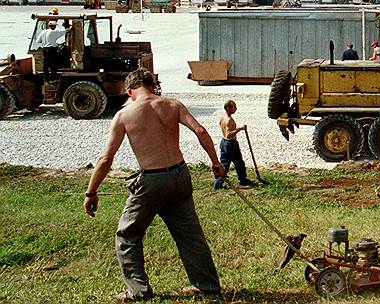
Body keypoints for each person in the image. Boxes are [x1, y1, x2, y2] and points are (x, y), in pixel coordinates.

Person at [83, 69, 224, 301]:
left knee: (128, 234)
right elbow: (200, 130)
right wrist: (215, 162)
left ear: (130, 91)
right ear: (152, 85)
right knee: (190, 235)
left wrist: (91, 192)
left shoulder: (125, 115)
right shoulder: (172, 104)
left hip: (152, 180)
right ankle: (207, 287)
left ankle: (138, 290)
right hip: (180, 175)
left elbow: (106, 159)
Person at [213, 100, 254, 189]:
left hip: (223, 142)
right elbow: (228, 134)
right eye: (234, 107)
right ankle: (242, 180)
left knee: (224, 163)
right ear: (228, 108)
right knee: (238, 162)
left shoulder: (222, 118)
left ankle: (218, 182)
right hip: (230, 143)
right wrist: (240, 129)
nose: (236, 108)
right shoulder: (228, 120)